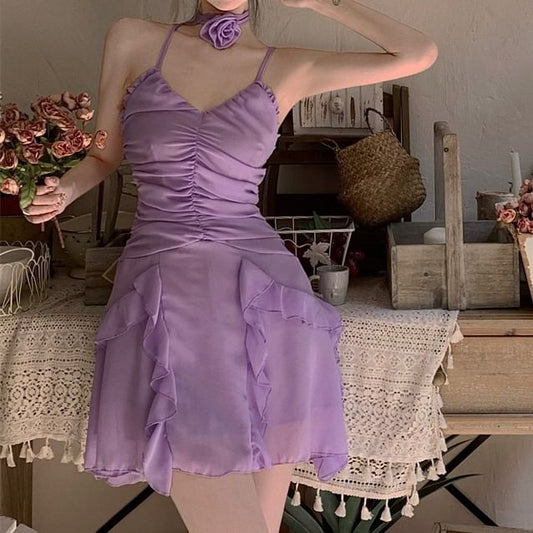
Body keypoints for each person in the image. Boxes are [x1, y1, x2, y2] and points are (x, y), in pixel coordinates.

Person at [24, 1, 437, 531]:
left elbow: (418, 53)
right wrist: (64, 190)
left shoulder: (288, 65)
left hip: (263, 294)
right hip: (164, 277)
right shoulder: (132, 38)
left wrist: (318, 2)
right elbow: (103, 156)